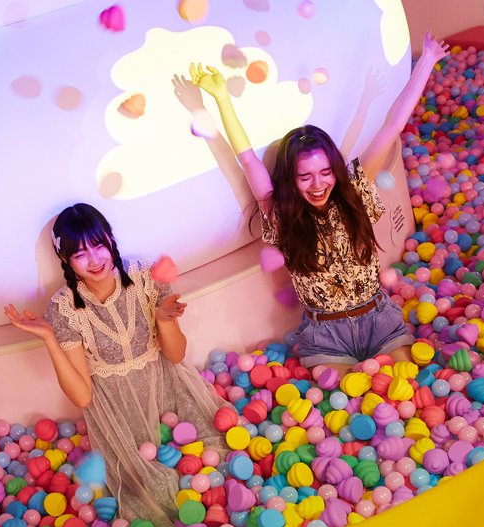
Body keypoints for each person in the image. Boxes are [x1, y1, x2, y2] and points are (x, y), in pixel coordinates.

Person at [190, 31, 449, 375]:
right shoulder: (281, 214)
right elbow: (249, 160)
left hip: (378, 319)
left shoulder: (355, 191)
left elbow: (392, 126)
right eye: (305, 176)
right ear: (291, 180)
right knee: (340, 405)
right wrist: (220, 98)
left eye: (325, 172)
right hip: (326, 333)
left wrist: (427, 61)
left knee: (406, 383)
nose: (318, 184)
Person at [4, 203, 230, 527]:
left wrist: (163, 319)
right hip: (116, 408)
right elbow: (82, 397)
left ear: (110, 239)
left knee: (213, 451)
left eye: (98, 245)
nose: (95, 260)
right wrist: (48, 339)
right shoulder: (65, 308)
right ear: (65, 259)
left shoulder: (145, 277)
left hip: (167, 383)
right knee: (150, 488)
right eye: (80, 254)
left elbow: (176, 354)